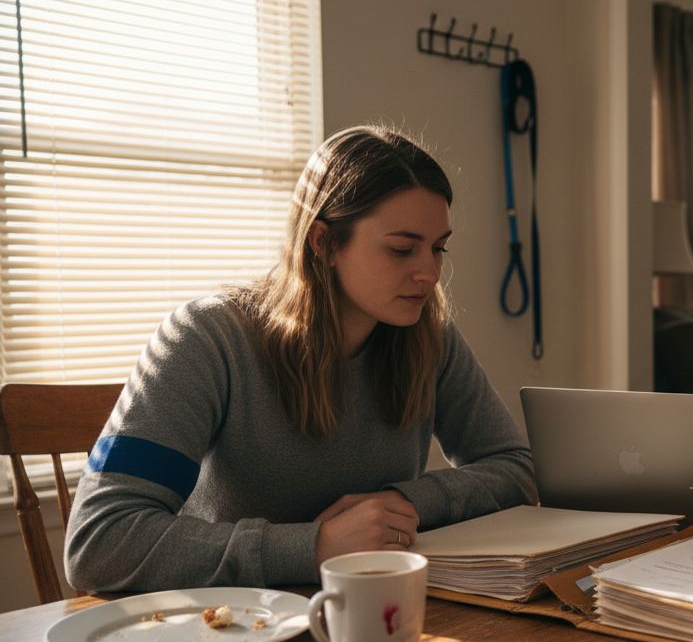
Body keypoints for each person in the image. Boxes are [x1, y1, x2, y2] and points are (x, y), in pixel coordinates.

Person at [65, 125, 537, 592]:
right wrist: (315, 547)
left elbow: (517, 469)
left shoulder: (427, 336)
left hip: (372, 610)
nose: (429, 273)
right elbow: (99, 542)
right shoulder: (206, 338)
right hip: (229, 627)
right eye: (402, 249)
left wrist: (405, 504)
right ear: (324, 243)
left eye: (438, 248)